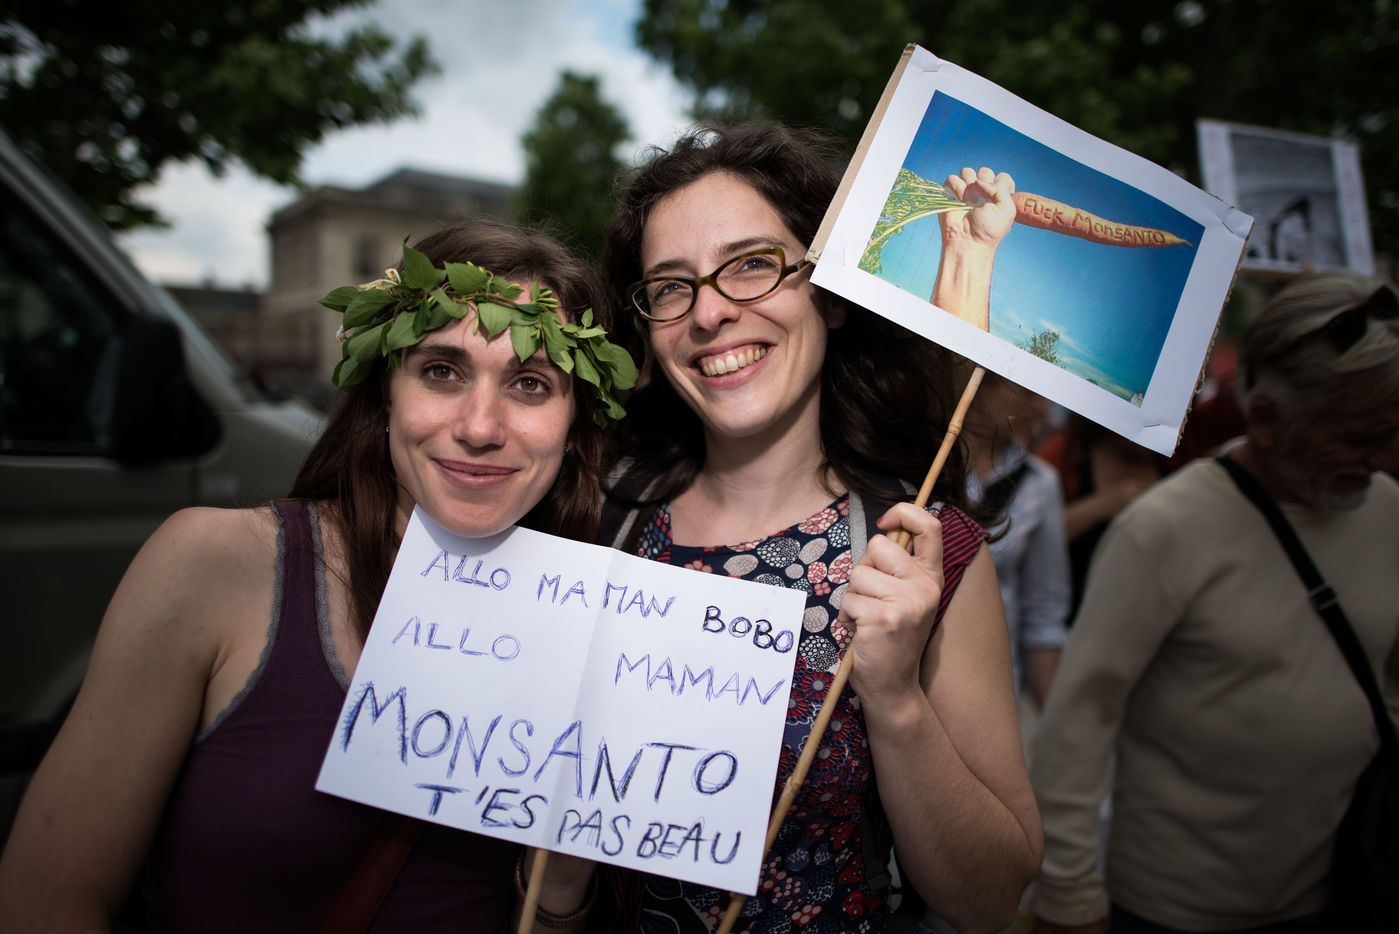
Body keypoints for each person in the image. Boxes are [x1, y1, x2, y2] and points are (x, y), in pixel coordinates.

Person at [0, 220, 635, 933]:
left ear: (572, 423)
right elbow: (45, 901)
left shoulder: (602, 633)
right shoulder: (215, 565)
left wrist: (564, 876)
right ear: (385, 391)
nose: (480, 426)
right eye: (441, 371)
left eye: (529, 383)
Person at [597, 123, 1042, 934]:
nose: (709, 313)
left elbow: (988, 901)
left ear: (830, 295)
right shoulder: (594, 522)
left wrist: (896, 700)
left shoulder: (917, 552)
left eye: (751, 264)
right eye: (669, 286)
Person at [1026, 270, 1399, 933]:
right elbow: (1079, 724)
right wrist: (1069, 894)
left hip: (1340, 887)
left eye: (1391, 431)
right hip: (1170, 908)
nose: (1381, 457)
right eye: (1356, 435)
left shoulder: (1390, 512)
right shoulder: (1165, 529)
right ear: (1268, 419)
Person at [961, 372, 1070, 722]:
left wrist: (1053, 727)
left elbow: (1043, 613)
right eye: (1029, 390)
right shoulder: (919, 468)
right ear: (982, 386)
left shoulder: (1040, 484)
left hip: (992, 698)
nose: (1043, 406)